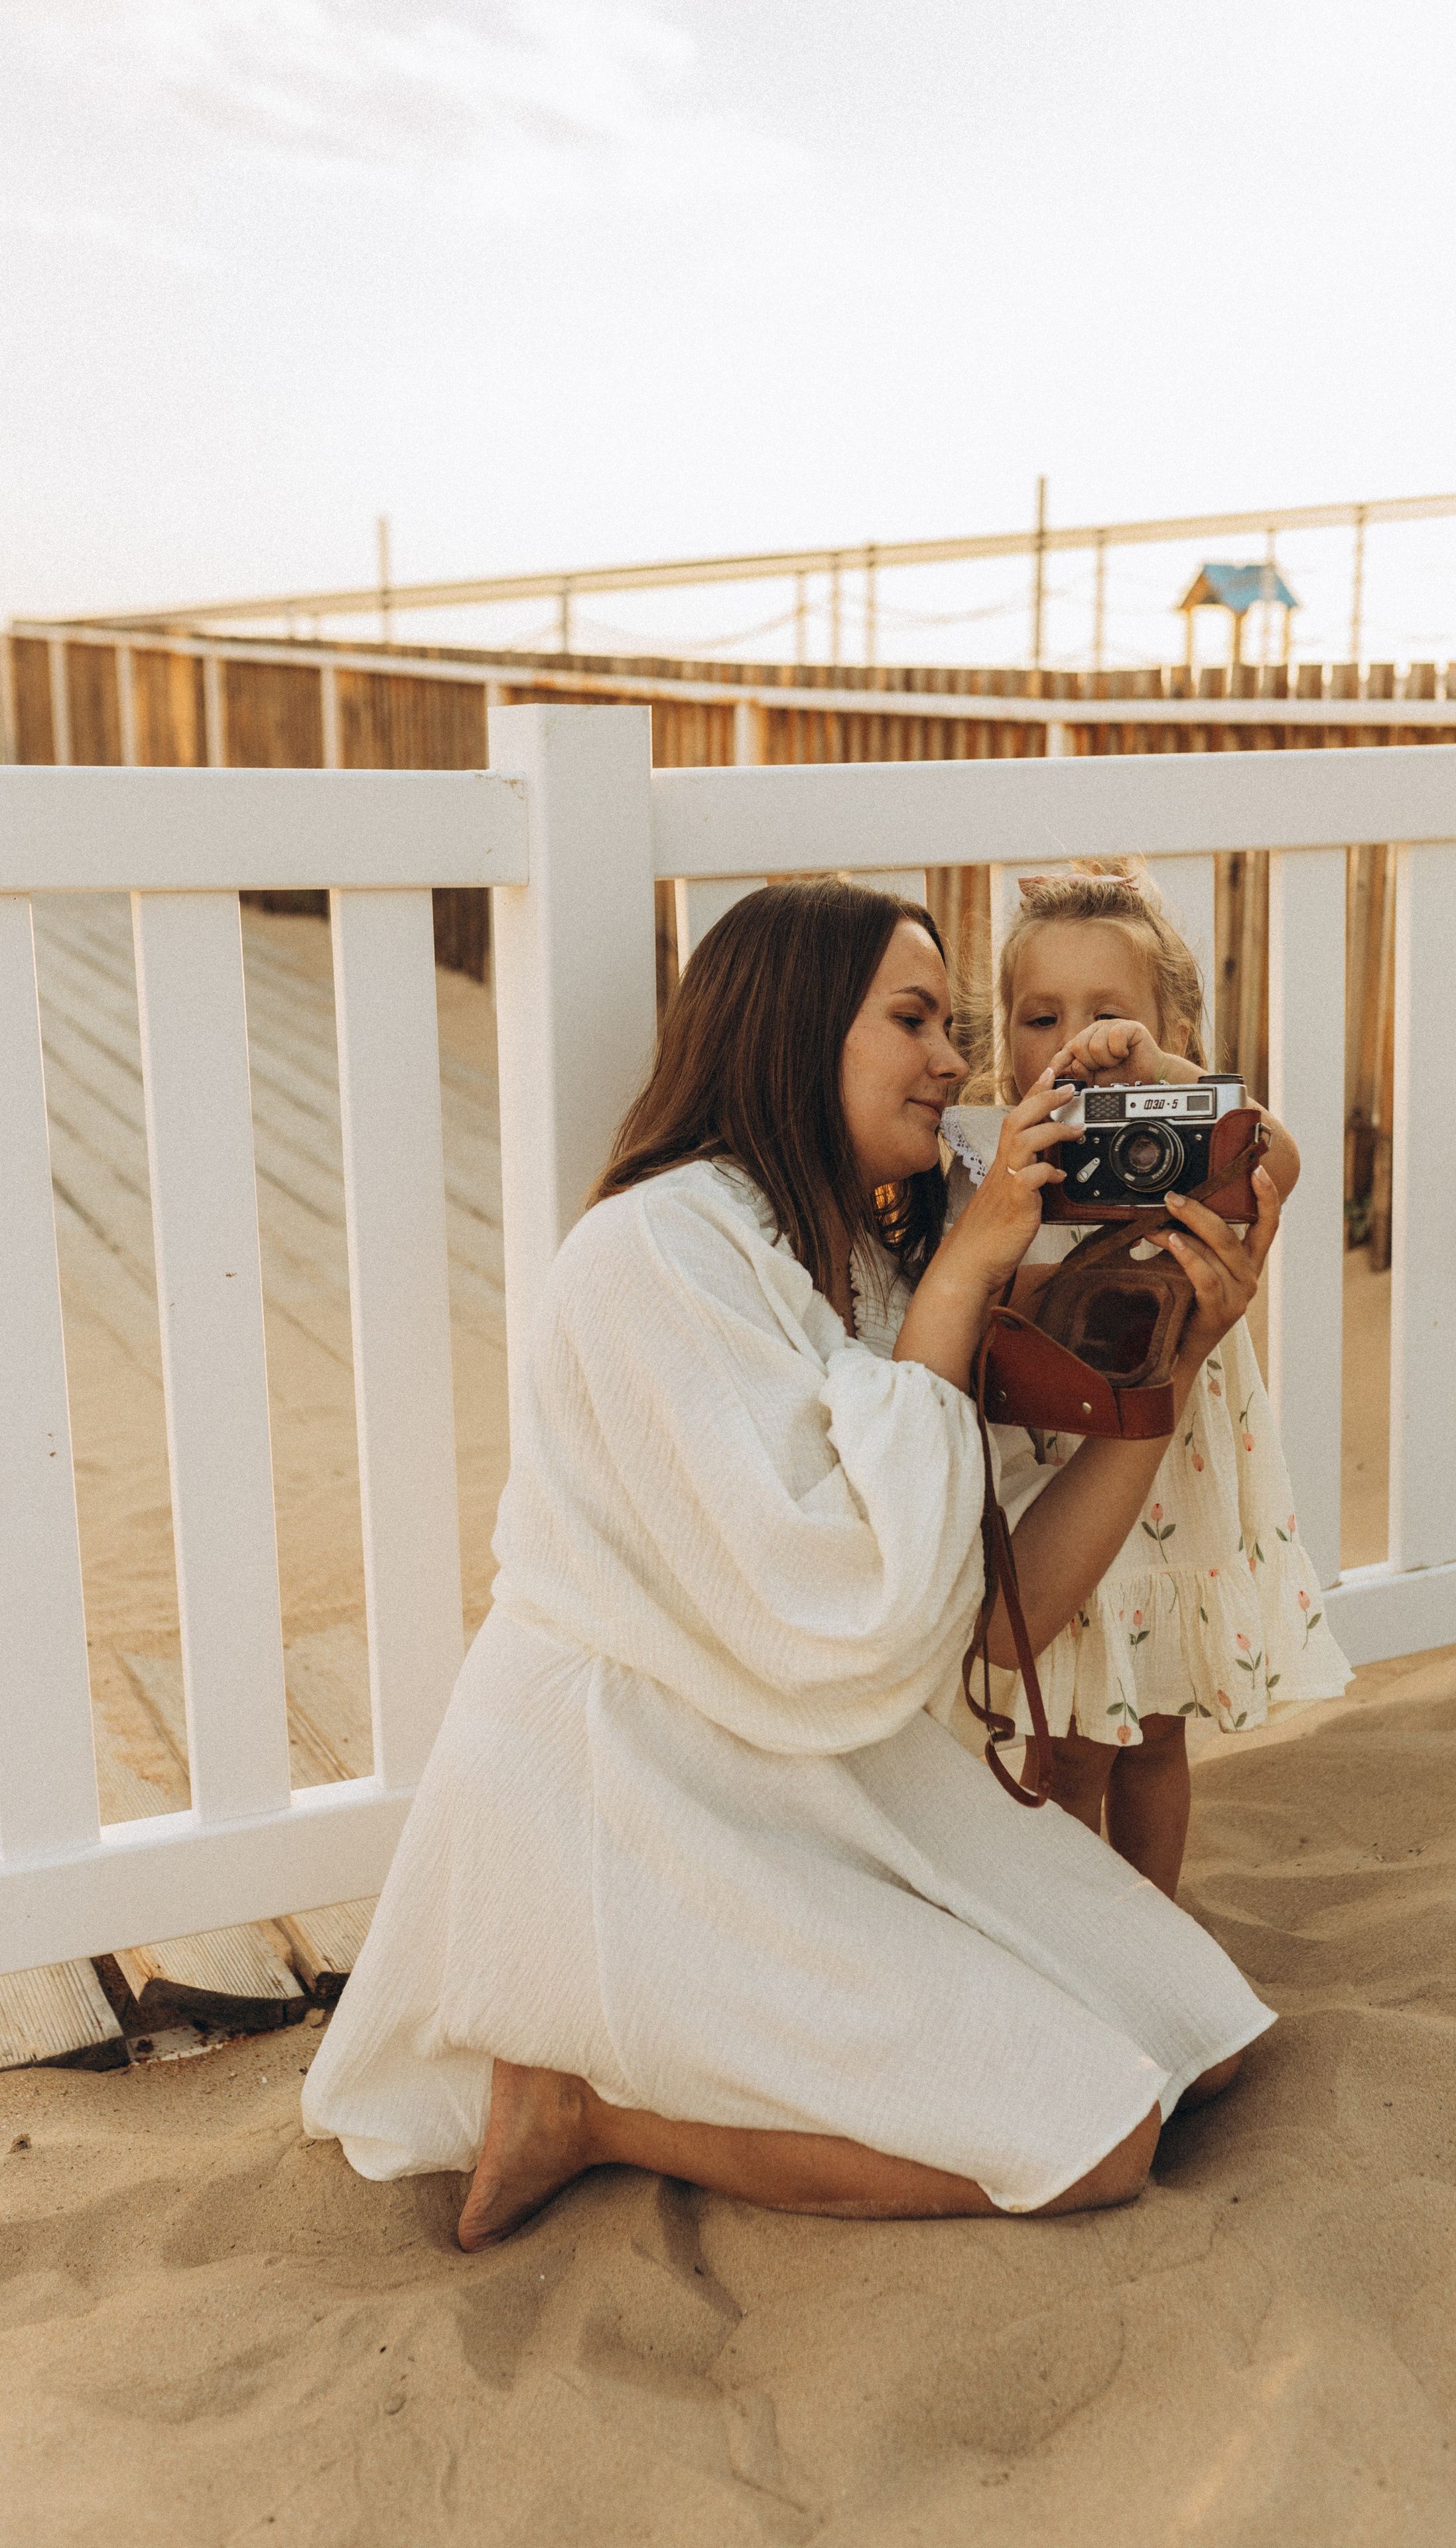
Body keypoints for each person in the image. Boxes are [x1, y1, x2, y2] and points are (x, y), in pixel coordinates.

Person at [302, 880, 1278, 2251]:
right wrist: (971, 1273)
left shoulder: (885, 1245)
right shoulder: (652, 1252)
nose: (955, 1062)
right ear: (795, 1027)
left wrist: (1168, 1369)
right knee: (1096, 2143)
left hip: (828, 1763)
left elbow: (1008, 1624)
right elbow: (847, 1611)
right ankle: (582, 2111)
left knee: (1202, 2039)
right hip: (641, 1792)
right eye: (914, 1021)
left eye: (952, 1024)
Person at [943, 869, 1351, 1898]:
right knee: (1070, 1744)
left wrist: (1166, 1076)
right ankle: (1093, 1944)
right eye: (1043, 1017)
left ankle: (1157, 1923)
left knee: (1159, 1733)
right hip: (1063, 1493)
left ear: (1173, 1030)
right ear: (1009, 1042)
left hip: (1174, 1483)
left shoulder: (1194, 1149)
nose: (1077, 1042)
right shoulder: (1000, 1165)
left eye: (1111, 1016)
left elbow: (1283, 1160)